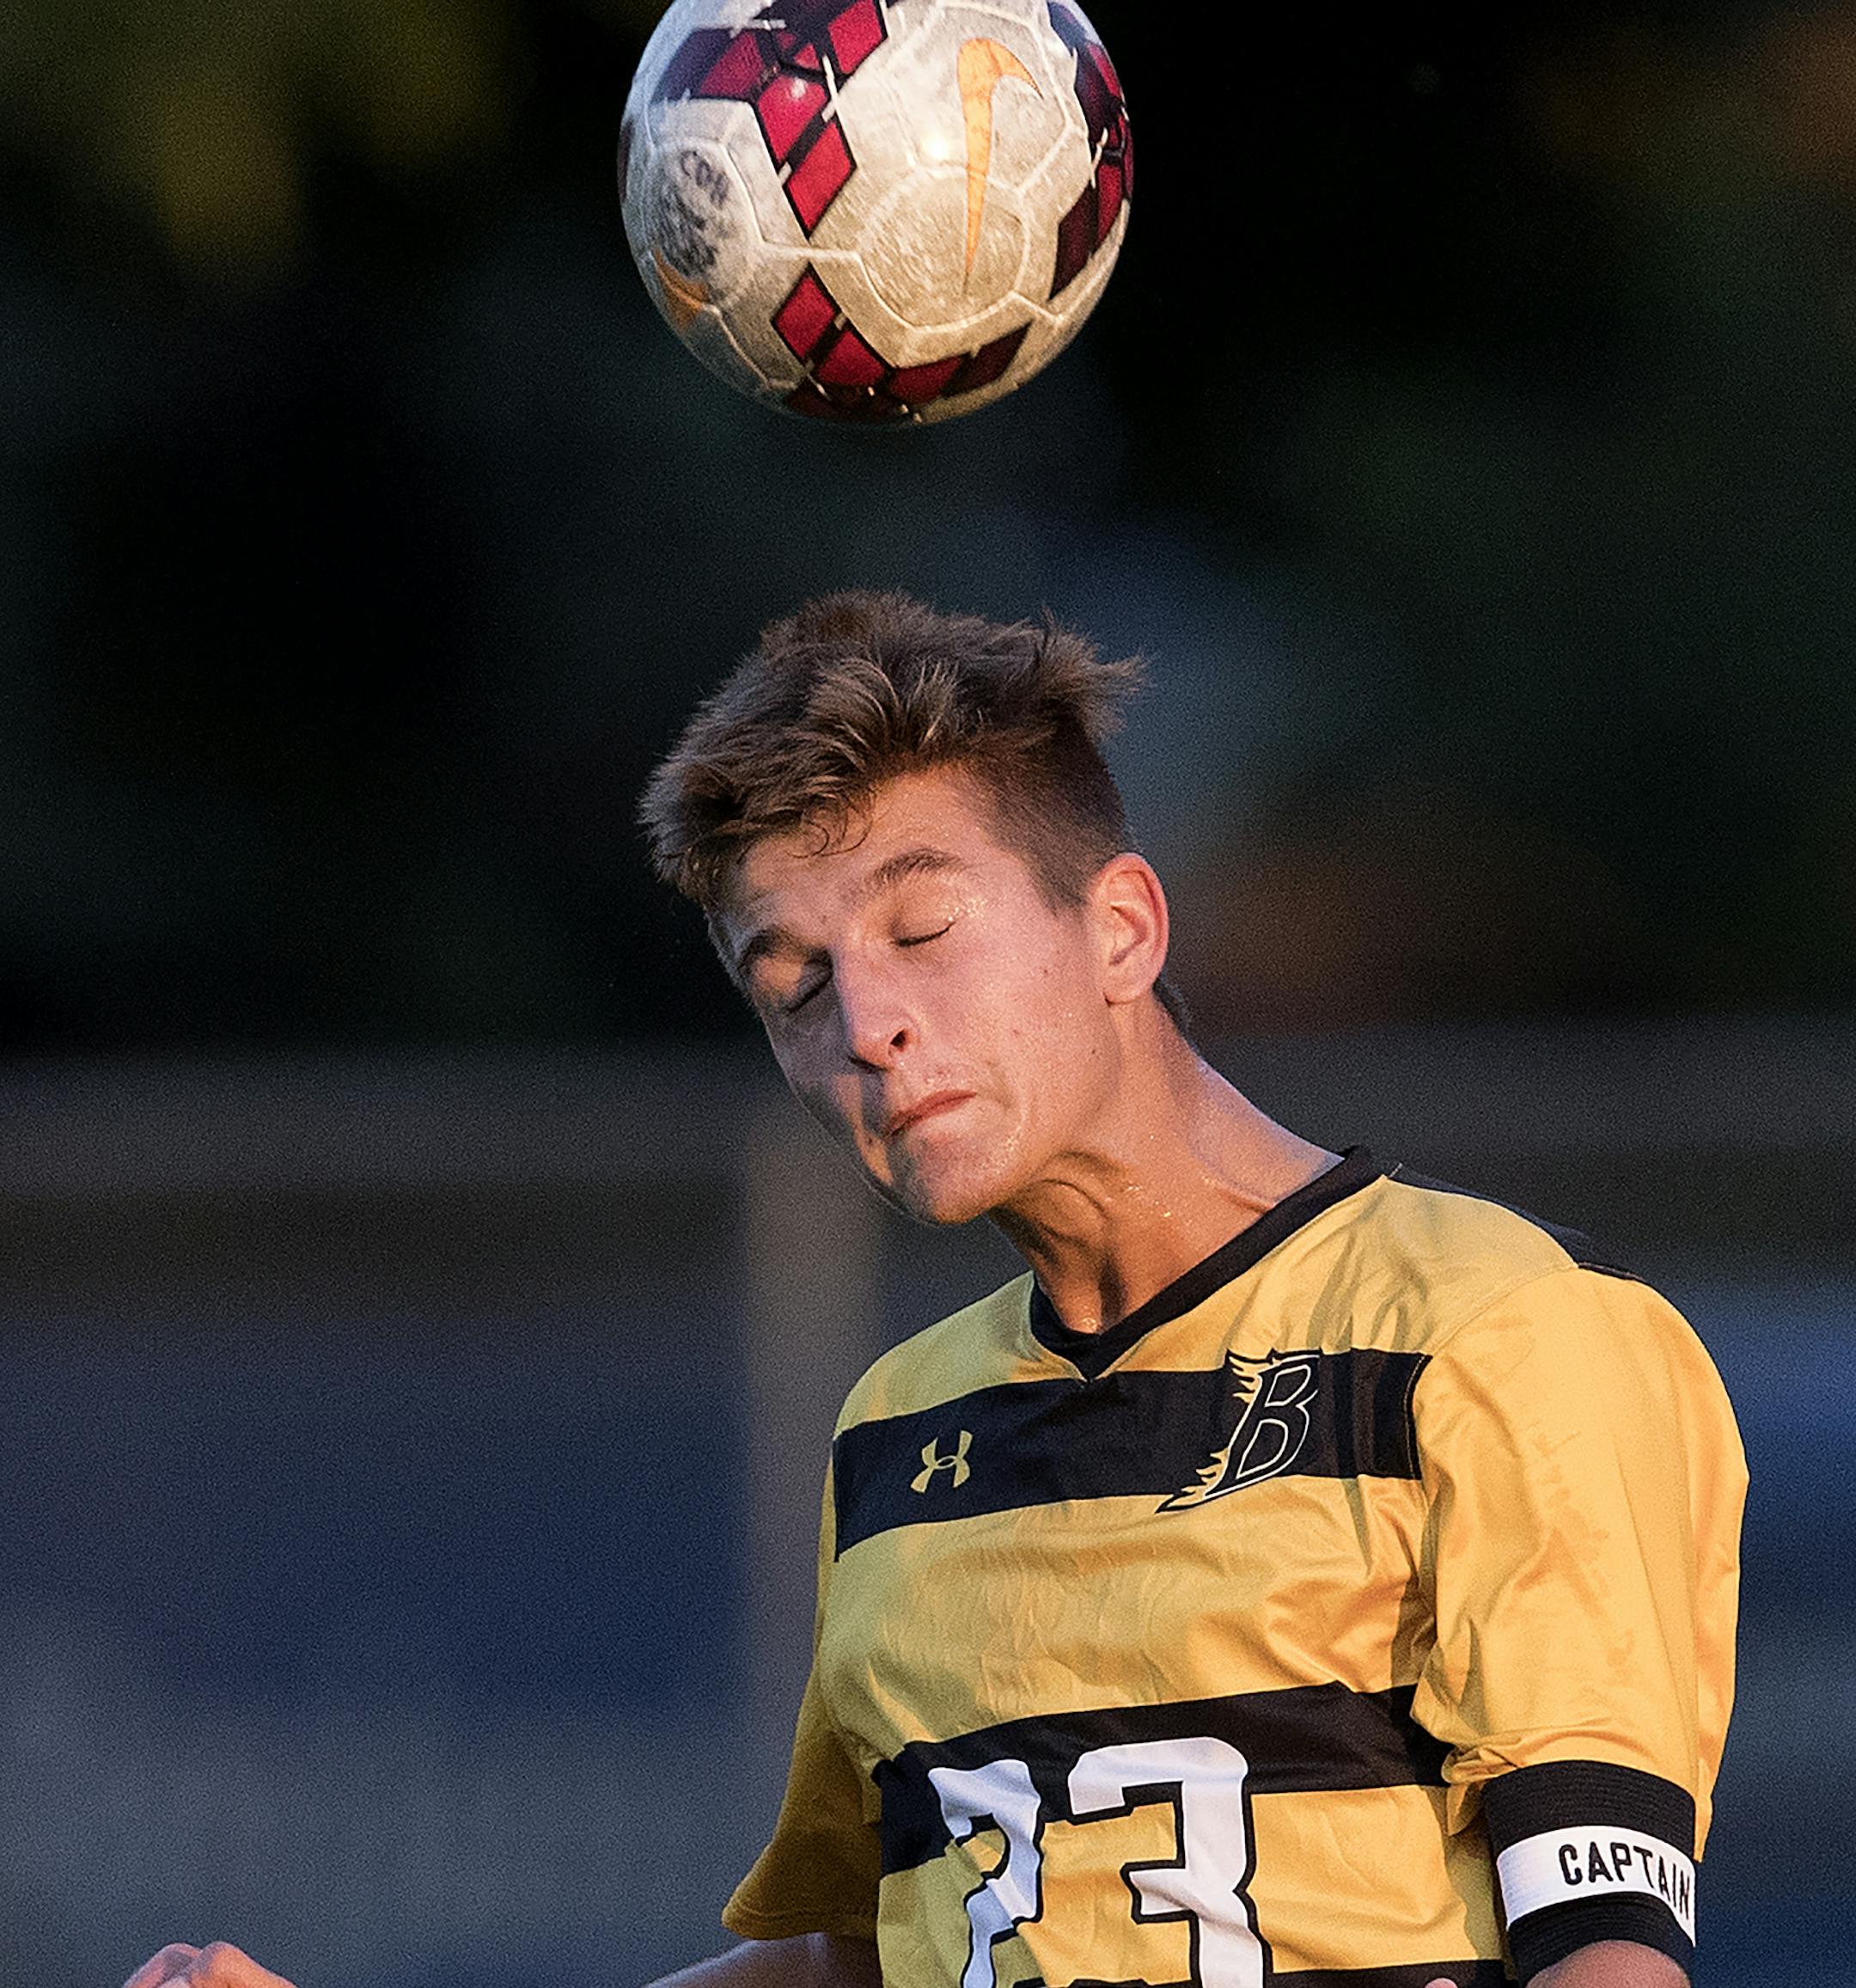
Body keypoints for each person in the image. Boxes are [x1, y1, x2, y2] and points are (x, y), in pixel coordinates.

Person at [125, 591, 1744, 1988]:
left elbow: (1605, 1942)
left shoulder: (1489, 1330)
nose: (866, 1025)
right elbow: (858, 1955)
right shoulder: (899, 1430)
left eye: (922, 926)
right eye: (795, 983)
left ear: (1120, 926)